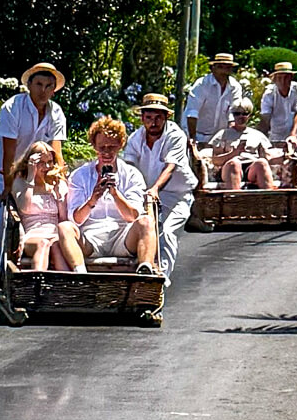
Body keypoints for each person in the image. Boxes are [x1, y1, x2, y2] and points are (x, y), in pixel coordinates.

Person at [0, 63, 68, 306]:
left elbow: (56, 154)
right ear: (28, 85)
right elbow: (9, 153)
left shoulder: (56, 113)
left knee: (27, 224)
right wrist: (7, 188)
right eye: (38, 84)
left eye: (49, 86)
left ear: (54, 90)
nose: (43, 91)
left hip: (24, 173)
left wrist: (59, 184)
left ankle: (24, 280)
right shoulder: (13, 107)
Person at [67, 116, 159, 273]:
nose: (106, 152)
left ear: (120, 146)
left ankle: (146, 269)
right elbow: (76, 219)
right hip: (90, 237)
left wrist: (115, 194)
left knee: (146, 221)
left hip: (122, 236)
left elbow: (132, 216)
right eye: (102, 147)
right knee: (65, 228)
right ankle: (79, 274)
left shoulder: (132, 175)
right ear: (94, 146)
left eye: (112, 147)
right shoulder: (79, 175)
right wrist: (93, 199)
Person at [122, 92, 197, 282]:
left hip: (175, 194)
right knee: (136, 232)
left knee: (167, 234)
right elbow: (129, 168)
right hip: (144, 193)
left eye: (158, 118)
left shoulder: (175, 135)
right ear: (142, 118)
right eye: (149, 118)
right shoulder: (135, 138)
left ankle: (160, 281)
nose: (153, 123)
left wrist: (155, 188)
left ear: (166, 118)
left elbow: (170, 167)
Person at [11, 140, 85, 273]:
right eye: (41, 163)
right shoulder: (21, 182)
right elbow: (25, 208)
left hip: (54, 233)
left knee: (56, 245)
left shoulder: (57, 183)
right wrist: (31, 178)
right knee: (43, 243)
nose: (46, 167)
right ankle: (38, 280)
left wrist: (59, 196)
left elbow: (63, 219)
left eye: (49, 162)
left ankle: (69, 286)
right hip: (33, 234)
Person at [258, 61, 297, 184]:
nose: (283, 81)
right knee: (277, 171)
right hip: (277, 136)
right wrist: (258, 137)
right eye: (279, 77)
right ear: (274, 79)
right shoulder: (269, 94)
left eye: (286, 77)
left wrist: (293, 134)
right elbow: (265, 118)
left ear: (291, 77)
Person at [206, 100, 276, 189]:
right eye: (237, 114)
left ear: (249, 115)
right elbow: (215, 160)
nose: (240, 117)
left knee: (262, 163)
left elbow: (267, 158)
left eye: (244, 114)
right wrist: (233, 154)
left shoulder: (257, 135)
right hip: (229, 168)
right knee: (234, 164)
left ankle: (270, 200)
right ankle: (234, 200)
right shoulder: (223, 134)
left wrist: (285, 156)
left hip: (251, 168)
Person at [184, 52, 243, 146]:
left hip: (220, 138)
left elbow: (235, 112)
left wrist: (232, 133)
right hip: (198, 135)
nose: (223, 71)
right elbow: (192, 114)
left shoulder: (235, 87)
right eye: (220, 67)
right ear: (213, 68)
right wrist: (193, 140)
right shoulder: (201, 85)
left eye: (227, 68)